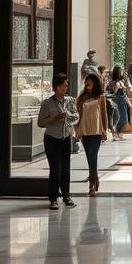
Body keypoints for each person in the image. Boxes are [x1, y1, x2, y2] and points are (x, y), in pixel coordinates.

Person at [37, 72, 78, 210]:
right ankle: (53, 198)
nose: (65, 89)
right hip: (51, 139)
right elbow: (40, 123)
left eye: (66, 86)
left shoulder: (69, 101)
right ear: (56, 87)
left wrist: (70, 117)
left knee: (66, 169)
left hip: (65, 137)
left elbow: (75, 117)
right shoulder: (47, 103)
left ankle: (66, 196)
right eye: (62, 86)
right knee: (55, 169)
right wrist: (54, 118)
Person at [75, 74, 108, 196]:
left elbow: (104, 115)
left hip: (97, 131)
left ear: (95, 83)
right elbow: (78, 116)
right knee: (89, 157)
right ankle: (95, 176)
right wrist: (77, 131)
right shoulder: (81, 98)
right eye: (86, 82)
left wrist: (105, 131)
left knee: (93, 155)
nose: (87, 84)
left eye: (89, 82)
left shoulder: (101, 97)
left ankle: (91, 183)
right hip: (85, 131)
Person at [109, 65, 129, 140]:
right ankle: (115, 131)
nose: (122, 72)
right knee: (123, 118)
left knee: (124, 118)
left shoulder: (121, 81)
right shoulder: (116, 82)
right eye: (120, 71)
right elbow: (114, 92)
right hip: (119, 99)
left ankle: (118, 132)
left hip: (123, 99)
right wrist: (119, 88)